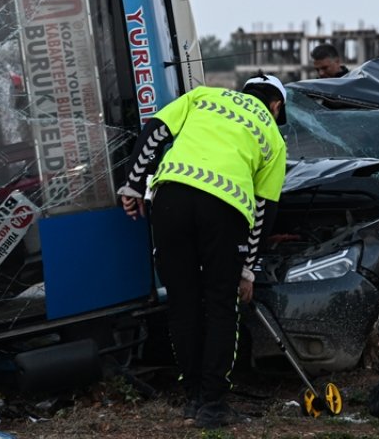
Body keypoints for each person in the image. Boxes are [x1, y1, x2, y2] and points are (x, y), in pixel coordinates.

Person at [117, 75, 288, 429]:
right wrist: (247, 269)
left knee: (182, 302)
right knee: (221, 306)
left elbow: (156, 131)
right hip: (224, 209)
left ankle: (193, 399)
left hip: (171, 197)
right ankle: (213, 405)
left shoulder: (204, 96)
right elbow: (262, 209)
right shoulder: (272, 133)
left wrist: (134, 185)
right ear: (276, 105)